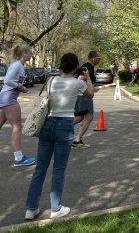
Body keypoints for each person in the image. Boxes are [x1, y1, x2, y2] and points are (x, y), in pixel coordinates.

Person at [25, 53, 94, 220]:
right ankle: (56, 208)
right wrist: (87, 77)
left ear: (61, 65)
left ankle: (31, 208)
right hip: (64, 126)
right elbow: (90, 94)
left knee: (40, 169)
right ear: (76, 66)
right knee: (58, 169)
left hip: (47, 124)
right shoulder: (78, 83)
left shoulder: (51, 80)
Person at [0, 45, 37, 167]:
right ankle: (19, 158)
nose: (31, 55)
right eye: (30, 53)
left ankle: (19, 158)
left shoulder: (19, 66)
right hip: (9, 97)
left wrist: (22, 87)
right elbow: (7, 81)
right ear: (24, 54)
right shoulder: (17, 65)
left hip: (5, 96)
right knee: (17, 126)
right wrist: (20, 87)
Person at [72, 51, 101, 148]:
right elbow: (80, 79)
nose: (99, 60)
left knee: (80, 117)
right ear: (93, 58)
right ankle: (75, 139)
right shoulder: (88, 67)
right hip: (84, 96)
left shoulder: (87, 67)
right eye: (98, 58)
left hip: (81, 95)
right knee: (87, 117)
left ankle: (77, 140)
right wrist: (92, 89)